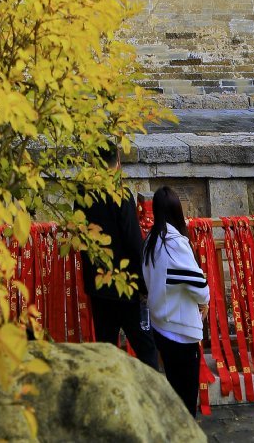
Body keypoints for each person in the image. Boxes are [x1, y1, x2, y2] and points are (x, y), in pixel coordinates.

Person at [78, 142, 158, 368]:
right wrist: (143, 284)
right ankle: (153, 398)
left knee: (106, 348)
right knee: (145, 347)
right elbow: (133, 241)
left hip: (98, 285)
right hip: (125, 285)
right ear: (118, 162)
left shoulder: (83, 194)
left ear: (94, 163)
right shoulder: (120, 195)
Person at [141, 185, 208, 416]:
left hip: (162, 325)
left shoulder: (151, 240)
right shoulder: (174, 243)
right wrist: (205, 300)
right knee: (187, 399)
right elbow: (196, 282)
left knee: (176, 393)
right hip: (181, 330)